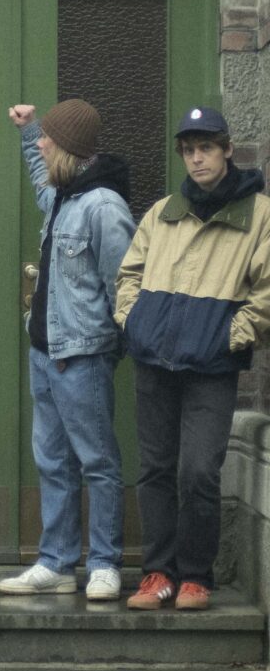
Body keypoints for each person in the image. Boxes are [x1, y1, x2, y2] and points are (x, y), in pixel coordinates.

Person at [116, 106, 270, 611]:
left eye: (206, 148)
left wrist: (230, 336)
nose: (197, 159)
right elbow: (129, 275)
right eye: (188, 150)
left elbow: (266, 292)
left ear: (227, 150)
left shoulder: (260, 215)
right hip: (154, 362)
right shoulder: (163, 212)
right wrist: (134, 322)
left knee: (199, 472)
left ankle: (196, 577)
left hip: (212, 368)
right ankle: (158, 574)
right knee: (156, 469)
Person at [0, 100, 135, 602]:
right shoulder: (61, 195)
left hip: (83, 356)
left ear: (69, 150)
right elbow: (40, 177)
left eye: (47, 139)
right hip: (44, 352)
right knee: (53, 463)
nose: (41, 145)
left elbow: (125, 286)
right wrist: (27, 128)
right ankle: (56, 562)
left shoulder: (104, 207)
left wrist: (111, 348)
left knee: (97, 462)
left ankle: (104, 564)